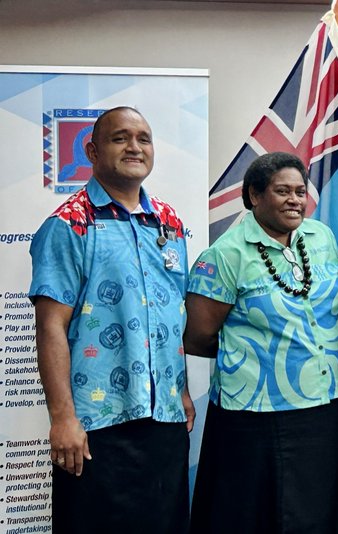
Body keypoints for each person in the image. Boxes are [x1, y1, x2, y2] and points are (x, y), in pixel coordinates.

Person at [29, 106, 192, 533]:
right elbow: (50, 328)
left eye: (144, 137)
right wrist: (63, 418)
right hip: (97, 425)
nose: (135, 147)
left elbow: (172, 314)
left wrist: (184, 392)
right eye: (121, 137)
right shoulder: (68, 224)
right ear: (92, 150)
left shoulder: (169, 222)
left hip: (165, 418)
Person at [184, 152, 338, 534]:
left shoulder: (321, 238)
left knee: (323, 509)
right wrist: (261, 356)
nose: (294, 200)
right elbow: (198, 337)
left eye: (300, 191)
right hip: (258, 416)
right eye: (282, 191)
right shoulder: (224, 255)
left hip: (327, 405)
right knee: (265, 516)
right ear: (254, 195)